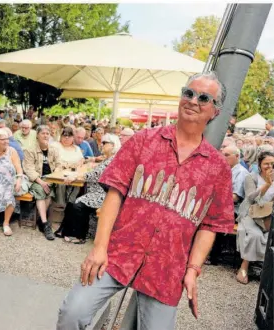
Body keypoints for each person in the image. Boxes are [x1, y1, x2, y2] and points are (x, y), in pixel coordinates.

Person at [57, 72, 234, 330]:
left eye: (204, 98)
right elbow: (114, 193)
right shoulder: (143, 141)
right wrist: (99, 247)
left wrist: (193, 270)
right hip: (118, 253)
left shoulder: (218, 168)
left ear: (215, 111)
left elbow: (210, 224)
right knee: (72, 313)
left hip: (167, 268)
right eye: (189, 93)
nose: (194, 101)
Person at [55, 134, 121, 244]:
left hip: (104, 194)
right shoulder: (109, 158)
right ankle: (66, 231)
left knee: (78, 204)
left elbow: (93, 174)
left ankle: (79, 236)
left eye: (105, 143)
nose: (101, 144)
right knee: (73, 201)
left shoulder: (112, 160)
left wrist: (75, 176)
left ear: (113, 145)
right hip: (98, 192)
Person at [236, 151, 274, 284]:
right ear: (259, 164)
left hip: (267, 215)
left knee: (269, 237)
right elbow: (251, 198)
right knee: (255, 235)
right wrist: (267, 184)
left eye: (272, 164)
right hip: (250, 213)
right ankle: (244, 267)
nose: (270, 166)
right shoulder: (251, 177)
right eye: (266, 164)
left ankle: (265, 269)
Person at [23, 125, 61, 240]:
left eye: (47, 133)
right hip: (36, 179)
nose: (46, 135)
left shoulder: (53, 149)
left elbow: (59, 164)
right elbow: (28, 169)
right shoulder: (30, 150)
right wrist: (41, 182)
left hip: (50, 179)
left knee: (49, 192)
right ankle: (45, 224)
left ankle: (40, 219)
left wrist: (53, 177)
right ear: (37, 136)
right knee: (41, 191)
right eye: (43, 133)